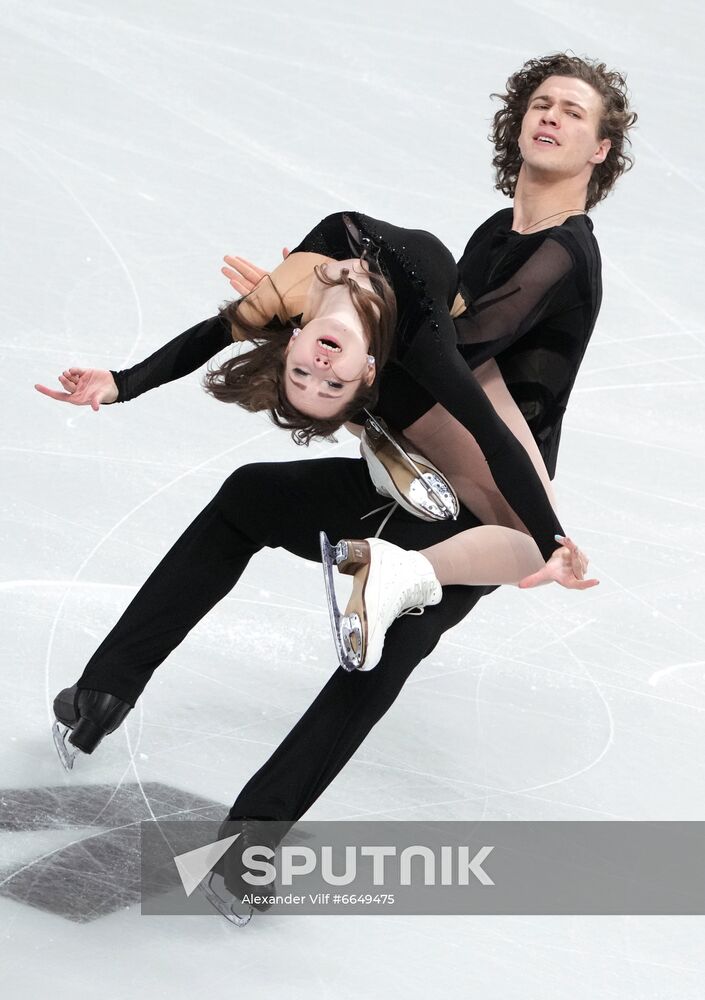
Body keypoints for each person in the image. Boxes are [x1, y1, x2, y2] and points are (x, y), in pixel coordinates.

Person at [36, 52, 635, 911]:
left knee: (380, 641)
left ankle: (238, 834)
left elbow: (459, 350)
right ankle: (105, 698)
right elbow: (422, 340)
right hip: (414, 458)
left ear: (601, 149)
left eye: (573, 112)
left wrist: (324, 304)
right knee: (254, 507)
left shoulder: (565, 253)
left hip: (488, 492)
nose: (550, 117)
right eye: (540, 103)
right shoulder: (492, 236)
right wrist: (317, 309)